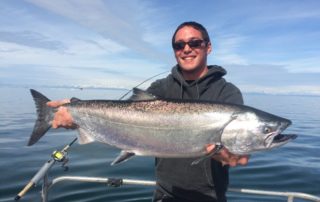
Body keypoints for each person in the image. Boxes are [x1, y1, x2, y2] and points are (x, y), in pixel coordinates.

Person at [48, 21, 249, 202]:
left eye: (194, 43)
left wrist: (233, 155)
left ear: (208, 46)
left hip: (210, 197)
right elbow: (124, 117)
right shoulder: (161, 88)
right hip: (165, 195)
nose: (186, 49)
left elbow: (238, 152)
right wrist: (75, 110)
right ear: (174, 51)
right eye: (179, 45)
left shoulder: (227, 93)